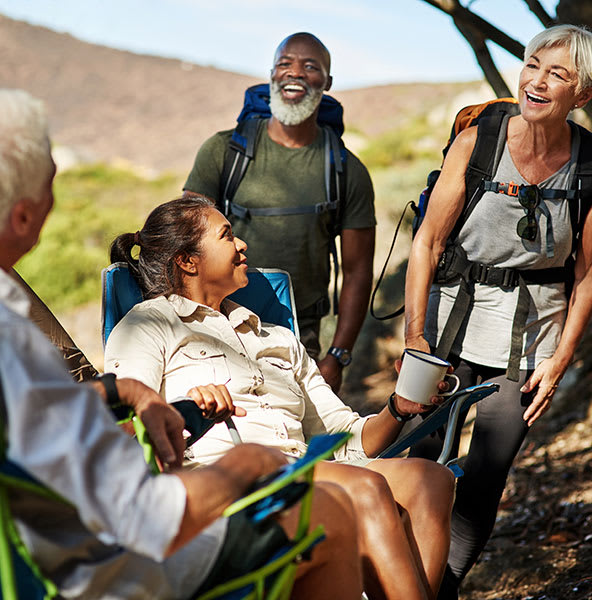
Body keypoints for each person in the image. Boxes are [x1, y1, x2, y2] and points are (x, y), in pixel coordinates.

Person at [0, 88, 365, 600]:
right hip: (101, 575)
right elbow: (145, 518)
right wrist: (247, 466)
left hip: (43, 557)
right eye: (51, 187)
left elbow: (35, 413)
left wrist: (123, 393)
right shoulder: (21, 335)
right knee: (330, 515)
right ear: (22, 218)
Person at [105, 195, 456, 600]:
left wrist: (398, 407)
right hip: (226, 481)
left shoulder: (276, 337)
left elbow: (345, 437)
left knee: (430, 479)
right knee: (363, 487)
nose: (242, 246)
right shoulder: (149, 324)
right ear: (188, 261)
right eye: (227, 236)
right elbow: (128, 423)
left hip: (305, 468)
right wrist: (185, 411)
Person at [402, 24, 592, 598]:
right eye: (533, 64)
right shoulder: (479, 138)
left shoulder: (589, 163)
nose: (536, 81)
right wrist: (415, 336)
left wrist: (560, 361)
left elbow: (589, 271)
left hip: (528, 343)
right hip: (445, 327)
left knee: (485, 481)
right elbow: (427, 244)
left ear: (582, 95)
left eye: (556, 74)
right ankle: (401, 582)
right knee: (416, 466)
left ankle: (443, 588)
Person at [183, 32, 376, 394]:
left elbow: (358, 271)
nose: (295, 73)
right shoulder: (223, 151)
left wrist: (337, 356)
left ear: (327, 83)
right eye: (285, 64)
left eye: (310, 67)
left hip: (301, 336)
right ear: (271, 75)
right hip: (218, 326)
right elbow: (184, 243)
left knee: (296, 442)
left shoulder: (347, 170)